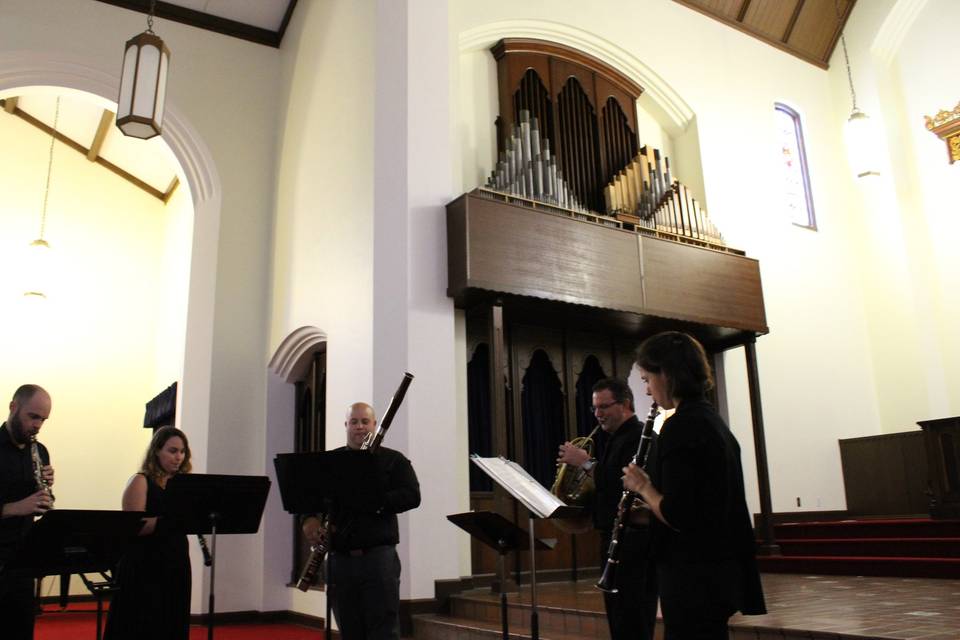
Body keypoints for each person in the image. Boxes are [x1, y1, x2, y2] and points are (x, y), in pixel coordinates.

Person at [622, 331, 766, 639]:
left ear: (668, 375)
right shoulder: (710, 420)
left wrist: (642, 486)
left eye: (648, 379)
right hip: (716, 568)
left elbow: (678, 514)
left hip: (693, 573)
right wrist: (645, 514)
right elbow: (703, 507)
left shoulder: (681, 427)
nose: (647, 390)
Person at [301, 402, 421, 640]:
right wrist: (309, 520)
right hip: (339, 559)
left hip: (378, 559)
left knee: (384, 630)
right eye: (354, 422)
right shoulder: (330, 461)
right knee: (349, 630)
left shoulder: (393, 460)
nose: (359, 427)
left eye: (365, 421)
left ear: (375, 425)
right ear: (346, 425)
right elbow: (310, 500)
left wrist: (375, 500)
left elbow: (412, 496)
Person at [557, 378, 658, 640]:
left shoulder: (638, 436)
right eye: (595, 408)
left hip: (634, 543)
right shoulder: (615, 438)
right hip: (616, 539)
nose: (598, 414)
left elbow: (624, 485)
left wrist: (586, 464)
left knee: (631, 618)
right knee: (620, 619)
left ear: (625, 404)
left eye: (604, 407)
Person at [103, 426, 193, 640]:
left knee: (172, 617)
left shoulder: (182, 485)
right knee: (143, 621)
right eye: (172, 451)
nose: (178, 457)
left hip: (175, 560)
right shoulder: (141, 481)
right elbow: (134, 526)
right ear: (156, 451)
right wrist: (169, 520)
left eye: (182, 451)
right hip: (145, 563)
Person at [0, 384, 54, 640]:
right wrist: (14, 508)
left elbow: (41, 504)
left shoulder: (39, 451)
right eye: (33, 416)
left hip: (22, 560)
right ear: (13, 407)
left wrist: (46, 493)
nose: (38, 425)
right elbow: (21, 506)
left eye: (43, 420)